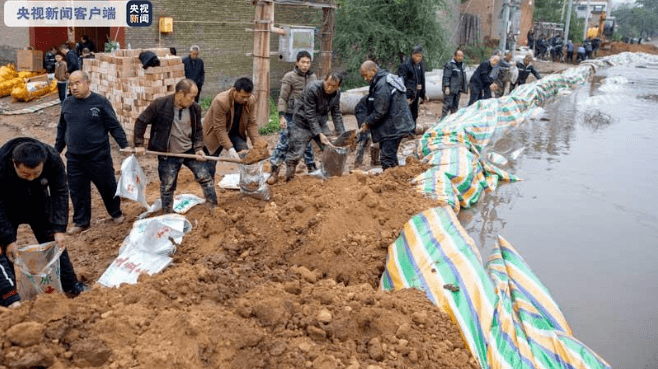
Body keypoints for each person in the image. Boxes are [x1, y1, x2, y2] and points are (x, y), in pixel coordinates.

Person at [0, 138, 88, 308]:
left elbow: (59, 191)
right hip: (7, 206)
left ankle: (71, 286)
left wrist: (59, 228)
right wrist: (8, 238)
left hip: (38, 204)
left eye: (36, 173)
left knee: (55, 243)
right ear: (14, 163)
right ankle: (9, 298)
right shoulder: (1, 163)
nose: (31, 178)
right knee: (6, 251)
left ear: (43, 163)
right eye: (26, 174)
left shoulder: (52, 159)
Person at [55, 71, 129, 234]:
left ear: (88, 83)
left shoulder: (100, 102)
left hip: (98, 156)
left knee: (108, 186)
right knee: (77, 190)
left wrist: (124, 145)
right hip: (74, 158)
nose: (74, 87)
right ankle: (81, 221)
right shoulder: (67, 104)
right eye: (71, 84)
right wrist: (56, 150)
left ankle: (115, 213)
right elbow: (62, 129)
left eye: (77, 83)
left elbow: (113, 126)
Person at [134, 79, 217, 213]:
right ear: (180, 94)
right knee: (168, 185)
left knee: (205, 177)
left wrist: (199, 148)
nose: (193, 100)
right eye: (191, 96)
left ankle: (213, 206)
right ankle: (168, 214)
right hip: (168, 153)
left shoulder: (195, 108)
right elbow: (141, 121)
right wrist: (139, 144)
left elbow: (198, 130)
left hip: (189, 150)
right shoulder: (160, 105)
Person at [268, 51, 318, 185]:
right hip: (290, 115)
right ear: (297, 62)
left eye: (308, 62)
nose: (305, 65)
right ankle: (274, 171)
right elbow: (283, 98)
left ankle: (312, 168)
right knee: (283, 143)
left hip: (306, 117)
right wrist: (281, 117)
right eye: (303, 62)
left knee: (307, 144)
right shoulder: (289, 77)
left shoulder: (313, 78)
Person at [284, 73, 345, 181]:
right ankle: (289, 179)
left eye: (333, 86)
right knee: (295, 155)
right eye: (328, 84)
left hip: (320, 122)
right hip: (302, 123)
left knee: (331, 148)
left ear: (338, 87)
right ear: (324, 80)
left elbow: (336, 112)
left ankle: (332, 178)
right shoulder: (312, 89)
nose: (329, 88)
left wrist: (342, 134)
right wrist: (319, 134)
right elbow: (310, 114)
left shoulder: (337, 93)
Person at [203, 77, 265, 178]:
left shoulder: (250, 100)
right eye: (242, 97)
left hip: (235, 133)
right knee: (210, 165)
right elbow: (220, 129)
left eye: (247, 97)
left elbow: (251, 123)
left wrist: (257, 144)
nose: (245, 100)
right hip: (215, 134)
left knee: (246, 157)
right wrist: (230, 149)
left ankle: (247, 185)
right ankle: (209, 188)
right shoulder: (221, 101)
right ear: (234, 90)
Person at [358, 61, 415, 170]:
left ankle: (390, 183)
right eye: (363, 76)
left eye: (366, 74)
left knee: (386, 158)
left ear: (373, 70)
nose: (365, 78)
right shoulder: (382, 80)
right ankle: (396, 177)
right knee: (390, 156)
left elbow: (380, 110)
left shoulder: (382, 84)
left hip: (394, 126)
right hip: (395, 123)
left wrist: (367, 123)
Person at [397, 44, 427, 126]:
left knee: (414, 113)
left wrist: (423, 93)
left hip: (416, 94)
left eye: (420, 56)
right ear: (412, 55)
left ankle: (412, 131)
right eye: (416, 56)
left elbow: (422, 79)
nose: (418, 58)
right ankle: (404, 132)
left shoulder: (420, 65)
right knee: (406, 113)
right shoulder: (405, 65)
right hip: (408, 94)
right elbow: (401, 82)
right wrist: (406, 95)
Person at [441, 49, 468, 118]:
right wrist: (446, 87)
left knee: (455, 107)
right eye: (458, 56)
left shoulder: (462, 65)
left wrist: (464, 88)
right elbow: (446, 76)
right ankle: (442, 122)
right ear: (455, 56)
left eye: (462, 56)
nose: (460, 57)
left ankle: (452, 122)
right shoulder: (450, 65)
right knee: (447, 106)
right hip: (450, 90)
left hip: (457, 90)